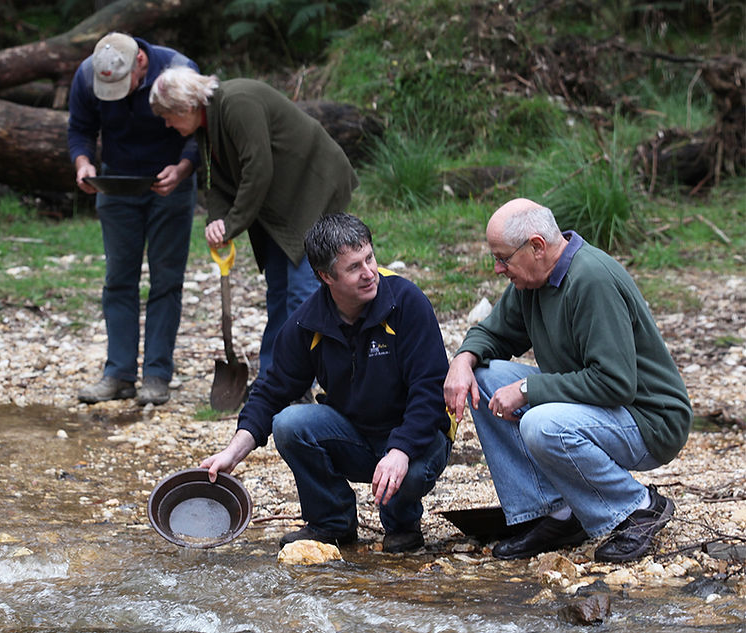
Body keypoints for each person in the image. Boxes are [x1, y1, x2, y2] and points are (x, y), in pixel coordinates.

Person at [443, 198, 692, 563]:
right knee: (484, 376)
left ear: (537, 246)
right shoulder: (531, 281)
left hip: (650, 420)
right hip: (604, 408)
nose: (498, 268)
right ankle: (556, 513)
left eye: (502, 257)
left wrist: (529, 390)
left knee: (541, 425)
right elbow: (494, 335)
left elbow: (615, 383)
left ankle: (638, 509)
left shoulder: (591, 279)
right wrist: (462, 360)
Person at [200, 214, 454, 553]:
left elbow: (430, 390)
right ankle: (332, 522)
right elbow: (271, 391)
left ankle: (402, 524)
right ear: (325, 276)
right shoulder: (308, 321)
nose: (369, 273)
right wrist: (232, 453)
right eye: (354, 268)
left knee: (406, 473)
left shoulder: (406, 302)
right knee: (289, 423)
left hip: (419, 438)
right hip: (357, 435)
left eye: (370, 258)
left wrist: (400, 450)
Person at [149, 66, 359, 384]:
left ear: (187, 107)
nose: (166, 124)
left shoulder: (237, 103)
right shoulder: (206, 125)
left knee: (302, 290)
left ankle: (307, 379)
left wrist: (232, 223)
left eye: (168, 116)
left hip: (312, 188)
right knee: (277, 291)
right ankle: (274, 379)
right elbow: (215, 182)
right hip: (278, 205)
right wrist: (217, 222)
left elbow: (257, 170)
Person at [68, 32, 201, 406]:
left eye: (125, 85)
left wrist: (183, 168)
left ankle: (157, 376)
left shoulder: (178, 69)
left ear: (140, 61)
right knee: (118, 279)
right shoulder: (87, 75)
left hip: (170, 184)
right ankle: (118, 374)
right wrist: (83, 164)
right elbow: (79, 129)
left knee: (166, 280)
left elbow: (201, 129)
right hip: (115, 184)